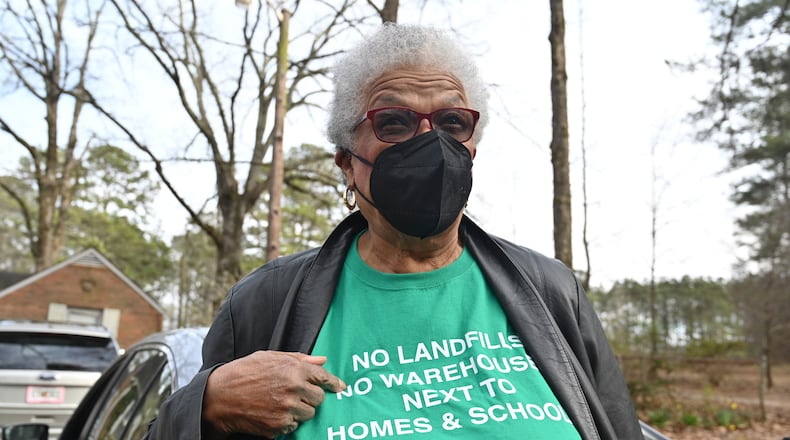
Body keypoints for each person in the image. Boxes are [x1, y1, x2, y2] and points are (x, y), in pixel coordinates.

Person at [146, 23, 642, 440]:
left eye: (452, 121)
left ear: (473, 146)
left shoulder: (551, 291)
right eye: (395, 122)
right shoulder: (263, 303)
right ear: (346, 160)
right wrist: (206, 404)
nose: (430, 142)